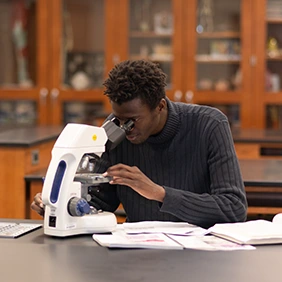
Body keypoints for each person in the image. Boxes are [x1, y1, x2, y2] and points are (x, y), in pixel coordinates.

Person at [31, 59, 247, 228]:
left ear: (160, 106)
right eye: (119, 119)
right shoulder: (114, 130)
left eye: (132, 121)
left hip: (199, 253)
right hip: (136, 250)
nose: (124, 129)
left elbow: (234, 208)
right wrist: (60, 205)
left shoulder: (209, 124)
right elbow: (100, 202)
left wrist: (159, 193)